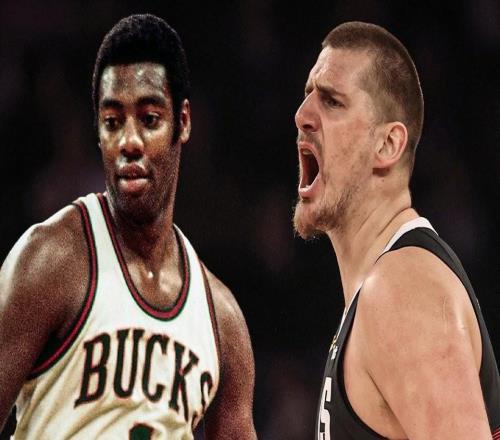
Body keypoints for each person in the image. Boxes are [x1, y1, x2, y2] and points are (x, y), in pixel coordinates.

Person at [0, 14, 256, 439]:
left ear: (183, 122)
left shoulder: (221, 319)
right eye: (113, 122)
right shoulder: (49, 261)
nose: (129, 141)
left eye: (149, 119)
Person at [293, 21, 500, 439]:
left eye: (332, 101)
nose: (302, 116)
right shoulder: (387, 287)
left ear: (387, 145)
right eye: (307, 95)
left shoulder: (401, 289)